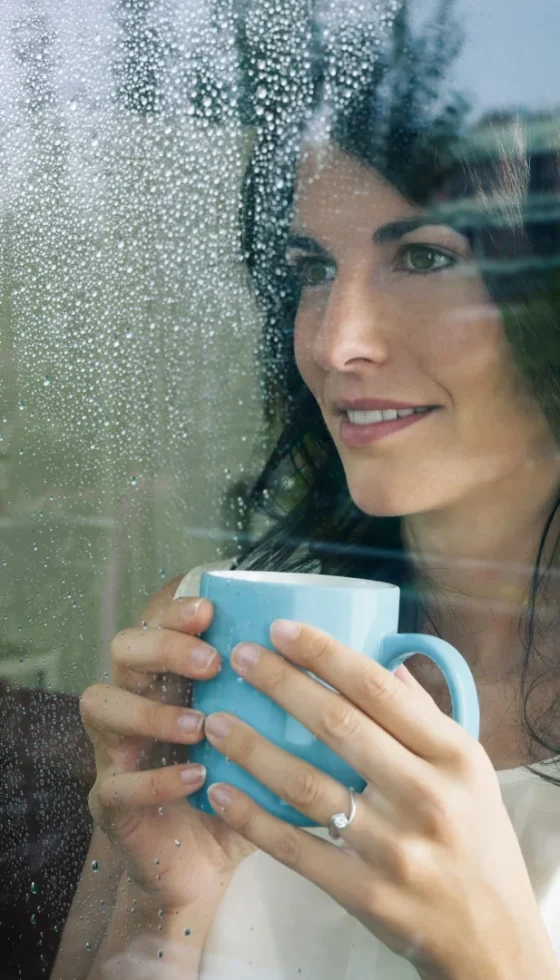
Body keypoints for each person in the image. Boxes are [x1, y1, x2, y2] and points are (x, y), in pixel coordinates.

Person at [52, 13, 560, 980]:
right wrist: (168, 914)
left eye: (425, 257)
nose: (335, 343)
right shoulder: (215, 644)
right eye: (312, 270)